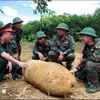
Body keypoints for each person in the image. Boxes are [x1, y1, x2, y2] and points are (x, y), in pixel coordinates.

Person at [70, 27, 100, 93]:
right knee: (78, 75)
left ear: (90, 37)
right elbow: (83, 60)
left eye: (84, 36)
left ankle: (95, 86)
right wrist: (75, 70)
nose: (82, 38)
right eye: (82, 36)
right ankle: (96, 79)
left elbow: (96, 58)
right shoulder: (86, 46)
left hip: (96, 65)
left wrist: (83, 60)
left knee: (89, 64)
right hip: (97, 68)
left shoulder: (98, 43)